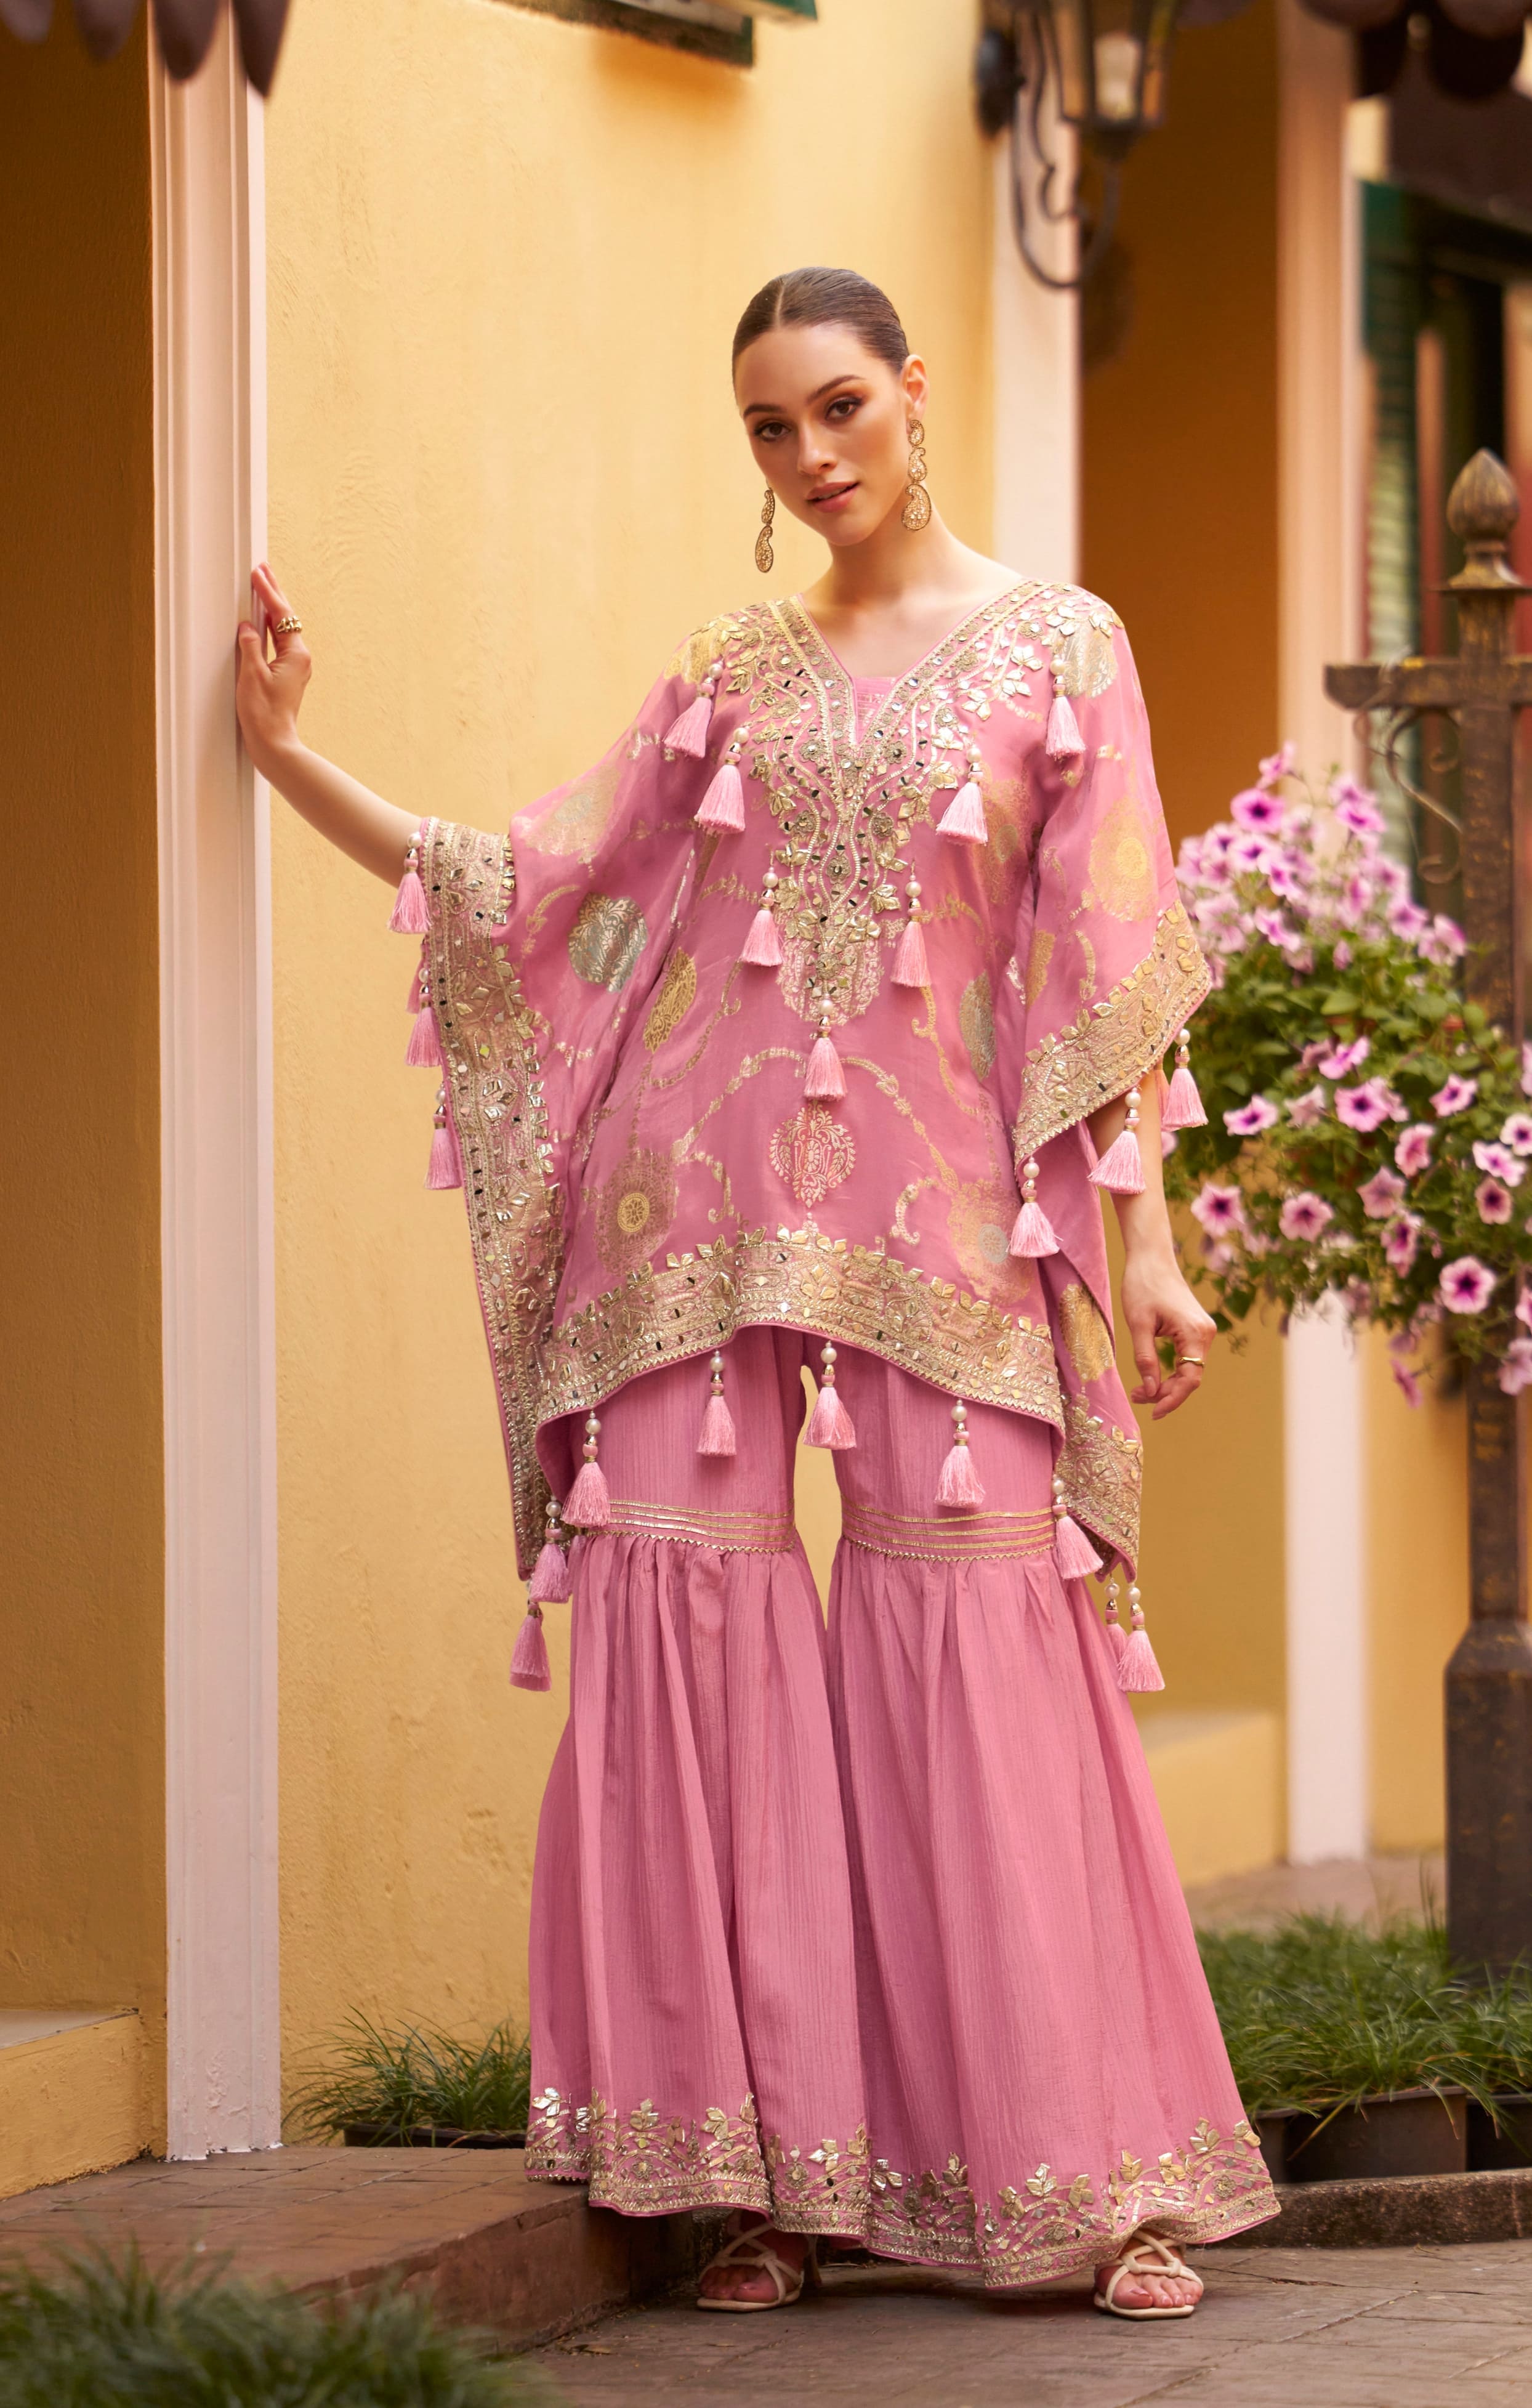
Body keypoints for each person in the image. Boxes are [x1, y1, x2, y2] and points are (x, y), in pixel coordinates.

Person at [236, 266, 1276, 2318]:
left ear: (914, 392)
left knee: (976, 1621)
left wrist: (1145, 1236)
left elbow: (1103, 971)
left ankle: (1079, 2177)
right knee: (681, 1620)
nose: (810, 462)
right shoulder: (731, 661)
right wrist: (290, 765)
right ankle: (755, 2177)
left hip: (955, 1223)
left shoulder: (1066, 651)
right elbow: (556, 887)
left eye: (837, 411)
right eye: (768, 432)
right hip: (686, 1214)